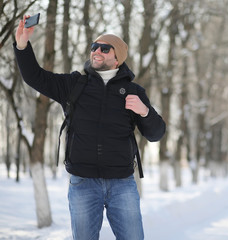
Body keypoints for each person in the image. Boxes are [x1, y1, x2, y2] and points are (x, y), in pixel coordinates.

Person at [14, 15, 166, 240]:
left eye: (105, 48)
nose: (97, 51)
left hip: (122, 183)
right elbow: (35, 77)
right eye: (95, 47)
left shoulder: (133, 92)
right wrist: (22, 44)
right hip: (83, 183)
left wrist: (145, 111)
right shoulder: (74, 85)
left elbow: (156, 134)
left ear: (117, 59)